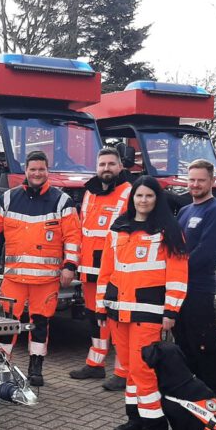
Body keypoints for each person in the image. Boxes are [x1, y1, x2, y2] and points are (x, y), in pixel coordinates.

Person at [0, 150, 81, 387]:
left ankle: (36, 367)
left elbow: (73, 236)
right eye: (33, 169)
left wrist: (70, 266)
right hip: (15, 279)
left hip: (46, 281)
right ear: (26, 171)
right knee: (8, 323)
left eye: (41, 169)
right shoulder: (10, 198)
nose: (37, 173)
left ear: (47, 171)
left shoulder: (62, 201)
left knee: (40, 324)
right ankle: (2, 364)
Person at [96, 175, 188, 430]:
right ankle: (135, 419)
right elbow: (106, 271)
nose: (143, 200)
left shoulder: (168, 230)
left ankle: (156, 429)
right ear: (132, 198)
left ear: (156, 199)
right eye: (139, 195)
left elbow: (177, 274)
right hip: (118, 311)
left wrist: (171, 310)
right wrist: (101, 306)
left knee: (143, 370)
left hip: (148, 312)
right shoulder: (118, 227)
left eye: (149, 196)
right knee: (127, 369)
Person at [68, 147, 132, 391]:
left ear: (120, 167)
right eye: (102, 164)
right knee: (95, 318)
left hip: (115, 271)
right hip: (89, 269)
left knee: (116, 321)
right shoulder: (89, 193)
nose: (106, 169)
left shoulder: (129, 192)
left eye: (111, 164)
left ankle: (123, 372)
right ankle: (95, 364)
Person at [174, 159, 216, 401]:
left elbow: (205, 253)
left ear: (212, 181)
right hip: (178, 289)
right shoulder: (186, 211)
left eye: (201, 180)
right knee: (183, 339)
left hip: (198, 289)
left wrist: (175, 272)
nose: (195, 185)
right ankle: (192, 386)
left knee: (204, 341)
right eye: (192, 180)